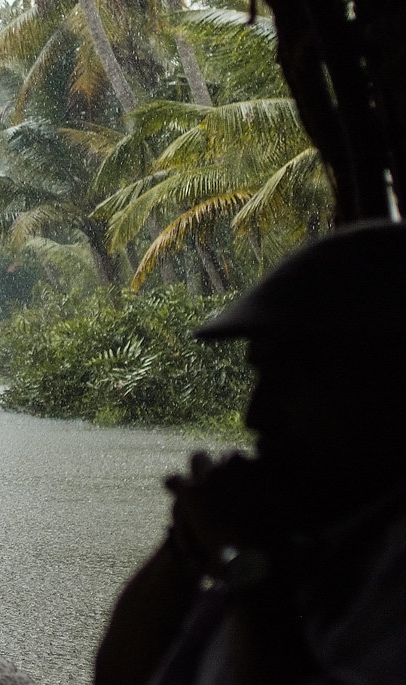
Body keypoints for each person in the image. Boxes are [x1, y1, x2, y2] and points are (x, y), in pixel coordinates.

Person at [94, 221, 406, 685]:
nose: (254, 417)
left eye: (291, 381)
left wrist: (250, 565)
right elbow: (119, 676)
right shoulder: (307, 531)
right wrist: (187, 543)